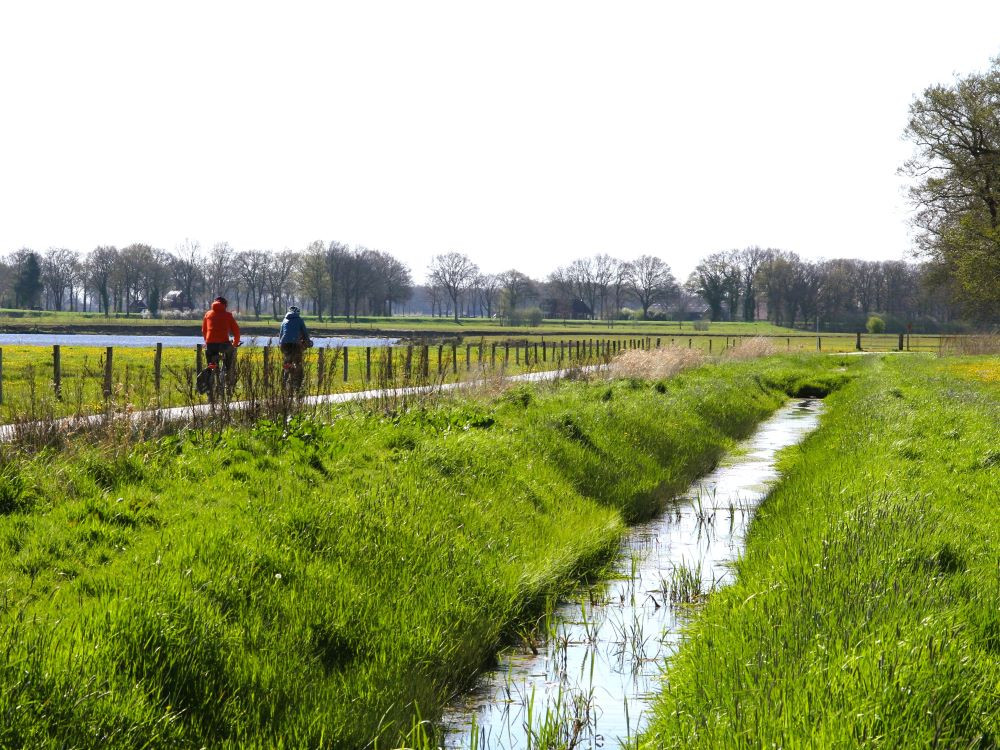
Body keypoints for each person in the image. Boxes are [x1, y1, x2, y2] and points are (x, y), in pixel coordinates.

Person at [202, 296, 241, 389]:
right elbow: (236, 332)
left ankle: (210, 373)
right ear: (225, 305)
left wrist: (207, 341)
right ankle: (228, 375)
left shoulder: (208, 314)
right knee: (230, 356)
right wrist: (234, 344)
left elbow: (204, 330)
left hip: (211, 345)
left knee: (211, 362)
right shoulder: (228, 315)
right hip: (224, 344)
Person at [278, 305, 311, 390]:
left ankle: (284, 381)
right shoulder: (299, 320)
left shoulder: (284, 320)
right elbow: (305, 333)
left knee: (287, 362)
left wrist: (281, 344)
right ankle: (297, 385)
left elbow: (281, 334)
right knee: (298, 363)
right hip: (295, 344)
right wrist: (308, 342)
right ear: (298, 313)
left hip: (284, 344)